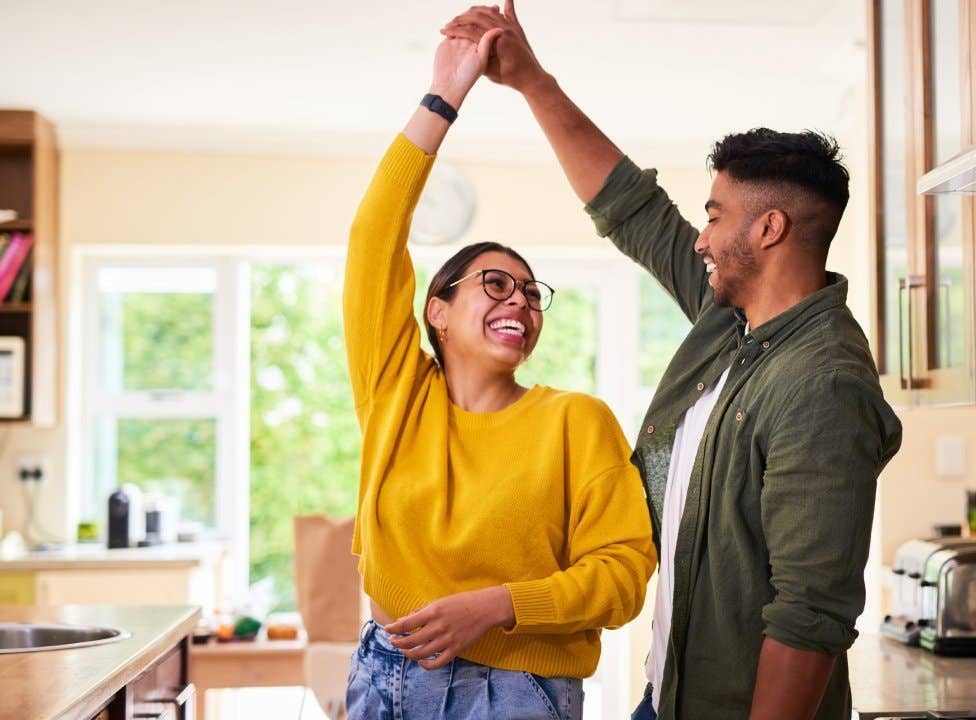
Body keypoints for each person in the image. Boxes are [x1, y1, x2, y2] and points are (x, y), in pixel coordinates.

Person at [443, 4, 904, 720]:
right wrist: (532, 82)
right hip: (670, 697)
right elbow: (635, 212)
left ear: (770, 228)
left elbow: (809, 617)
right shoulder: (735, 324)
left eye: (716, 216)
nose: (700, 238)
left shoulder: (822, 384)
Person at [343, 29, 657, 720]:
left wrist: (498, 607)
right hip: (384, 675)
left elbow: (624, 575)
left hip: (514, 693)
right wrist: (445, 93)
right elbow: (373, 239)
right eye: (494, 283)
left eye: (531, 292)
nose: (520, 298)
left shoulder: (575, 420)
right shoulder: (396, 393)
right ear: (440, 311)